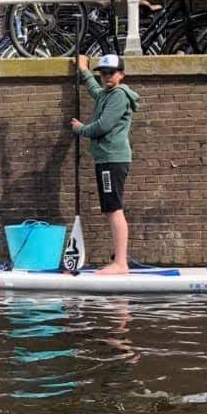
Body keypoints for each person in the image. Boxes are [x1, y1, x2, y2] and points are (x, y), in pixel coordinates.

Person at [70, 53, 140, 275]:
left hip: (112, 159)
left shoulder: (118, 96)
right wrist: (84, 69)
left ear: (121, 75)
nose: (107, 77)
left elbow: (102, 126)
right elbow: (95, 91)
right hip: (107, 159)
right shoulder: (107, 94)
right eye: (104, 73)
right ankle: (119, 260)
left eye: (112, 73)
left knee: (114, 209)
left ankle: (120, 263)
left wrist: (81, 129)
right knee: (112, 209)